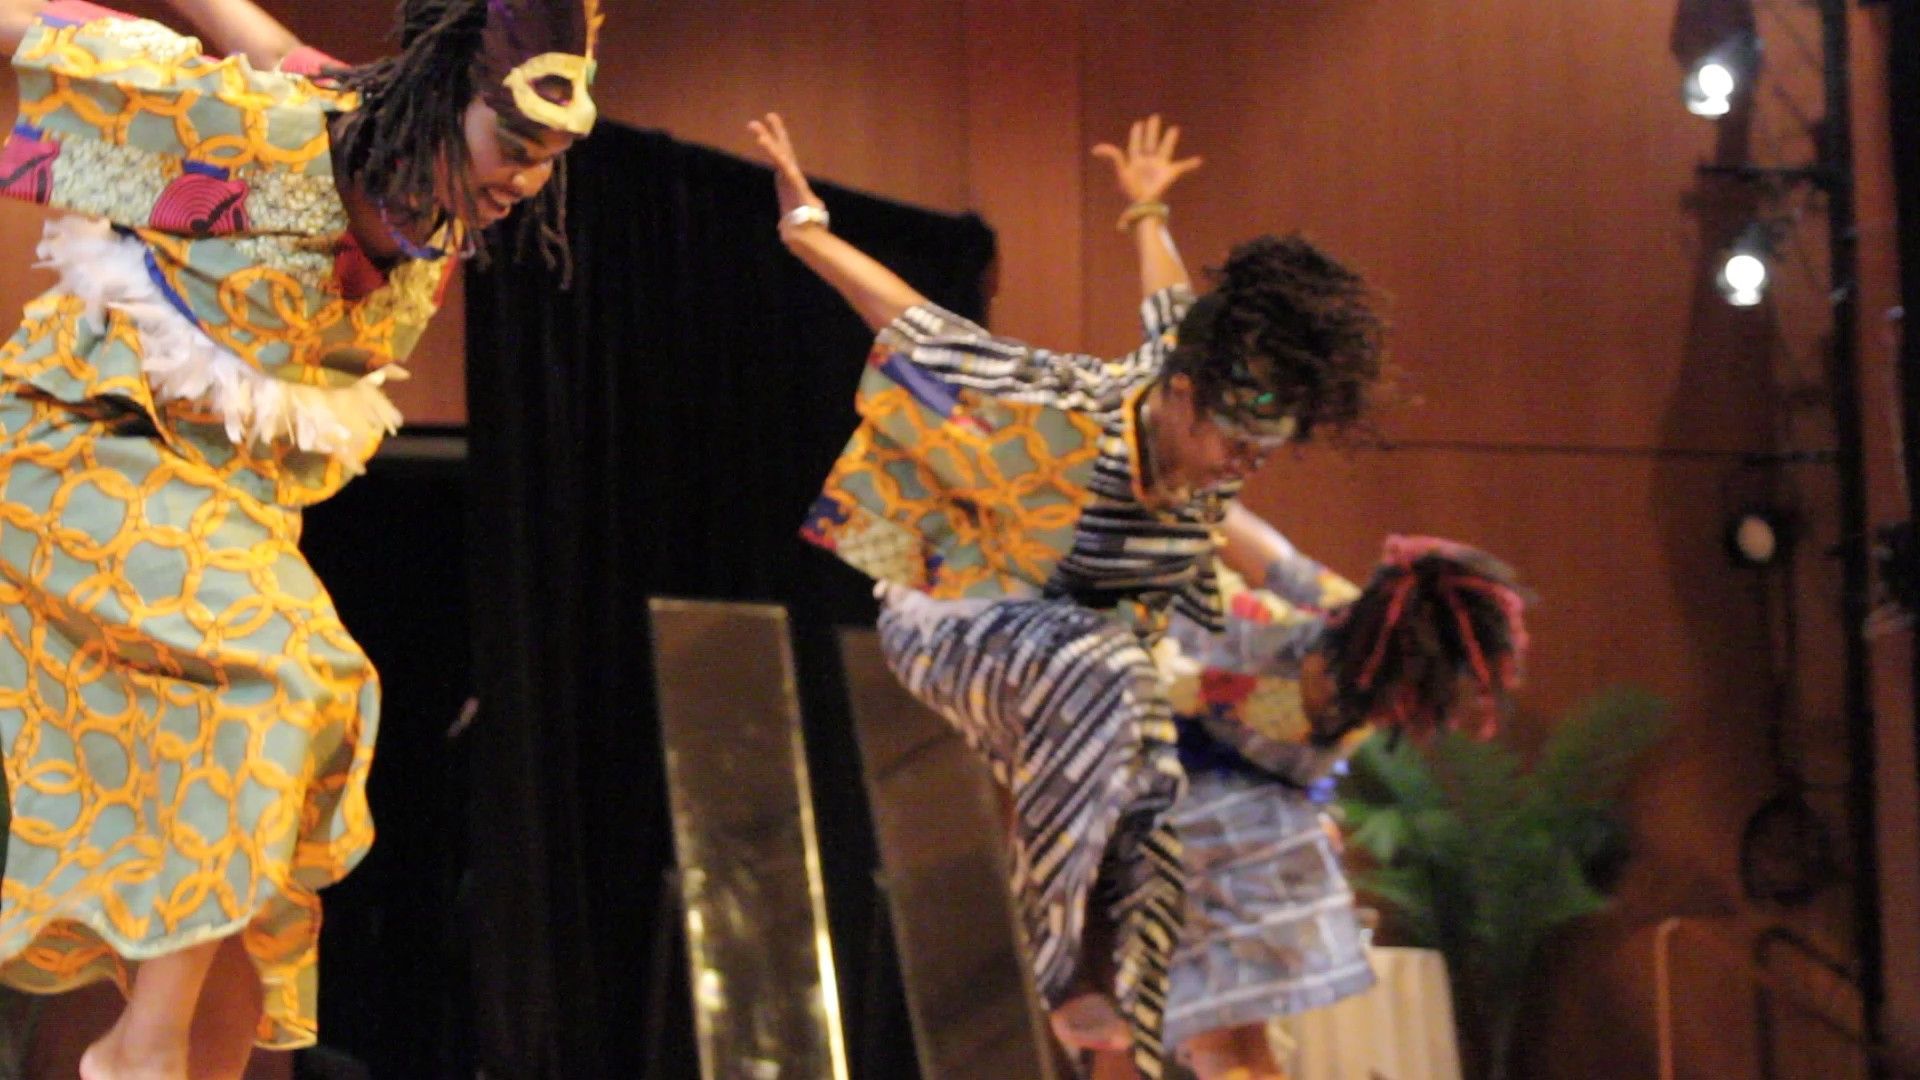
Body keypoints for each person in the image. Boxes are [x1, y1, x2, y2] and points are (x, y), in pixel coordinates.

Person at [0, 1, 601, 1076]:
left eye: (547, 158)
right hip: (83, 446)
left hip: (220, 502)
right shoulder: (270, 136)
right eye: (513, 145)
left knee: (294, 756)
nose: (524, 180)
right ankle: (134, 1050)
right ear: (441, 102)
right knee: (287, 669)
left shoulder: (431, 222)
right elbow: (71, 32)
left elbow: (269, 31)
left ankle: (178, 1050)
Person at [752, 111, 1389, 1077]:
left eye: (1260, 454)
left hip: (1074, 643)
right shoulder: (1069, 416)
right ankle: (1075, 960)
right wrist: (810, 232)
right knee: (1114, 676)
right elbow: (917, 323)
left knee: (1163, 728)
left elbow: (1170, 301)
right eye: (1231, 442)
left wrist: (1146, 209)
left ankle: (1149, 959)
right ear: (1180, 393)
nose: (1237, 468)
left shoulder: (1196, 391)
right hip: (953, 617)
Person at [1097, 535, 1529, 1079]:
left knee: (1204, 1036)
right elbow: (1250, 541)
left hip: (1235, 837)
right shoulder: (1311, 638)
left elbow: (1176, 683)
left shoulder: (1343, 685)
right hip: (1202, 821)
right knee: (1185, 1034)